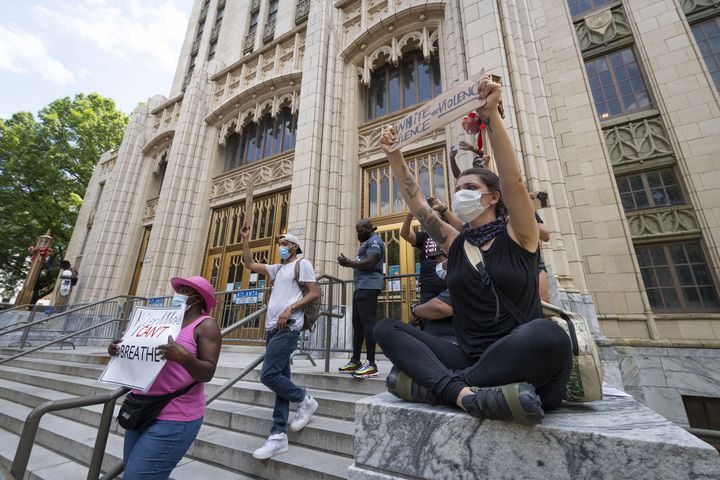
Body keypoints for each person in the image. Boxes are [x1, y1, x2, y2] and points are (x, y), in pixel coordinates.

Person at [374, 73, 572, 426]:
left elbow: (513, 180)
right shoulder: (455, 241)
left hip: (518, 356)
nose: (460, 192)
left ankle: (441, 388)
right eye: (458, 187)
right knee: (387, 330)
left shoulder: (521, 235)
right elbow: (418, 203)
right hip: (469, 357)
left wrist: (490, 115)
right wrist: (393, 154)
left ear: (493, 198)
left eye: (469, 186)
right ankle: (467, 394)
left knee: (548, 335)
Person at [108, 275, 222, 479]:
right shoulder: (161, 321)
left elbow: (208, 372)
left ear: (199, 298)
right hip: (141, 408)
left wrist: (185, 357)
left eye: (187, 291)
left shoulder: (206, 326)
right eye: (180, 290)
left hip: (175, 416)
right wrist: (121, 349)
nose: (179, 295)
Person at [241, 227, 321, 460]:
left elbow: (313, 292)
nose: (281, 247)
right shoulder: (278, 269)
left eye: (285, 243)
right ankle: (278, 436)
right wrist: (246, 240)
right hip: (272, 328)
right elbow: (249, 264)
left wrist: (291, 308)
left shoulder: (302, 264)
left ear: (294, 247)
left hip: (289, 326)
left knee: (269, 375)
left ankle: (305, 399)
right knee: (280, 378)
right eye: (281, 244)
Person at [337, 219, 385, 378]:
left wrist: (349, 263)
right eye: (357, 231)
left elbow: (371, 262)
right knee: (357, 326)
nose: (358, 234)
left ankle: (371, 364)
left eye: (360, 231)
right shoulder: (366, 242)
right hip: (360, 286)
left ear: (369, 228)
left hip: (369, 286)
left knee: (367, 325)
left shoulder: (375, 241)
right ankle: (355, 360)